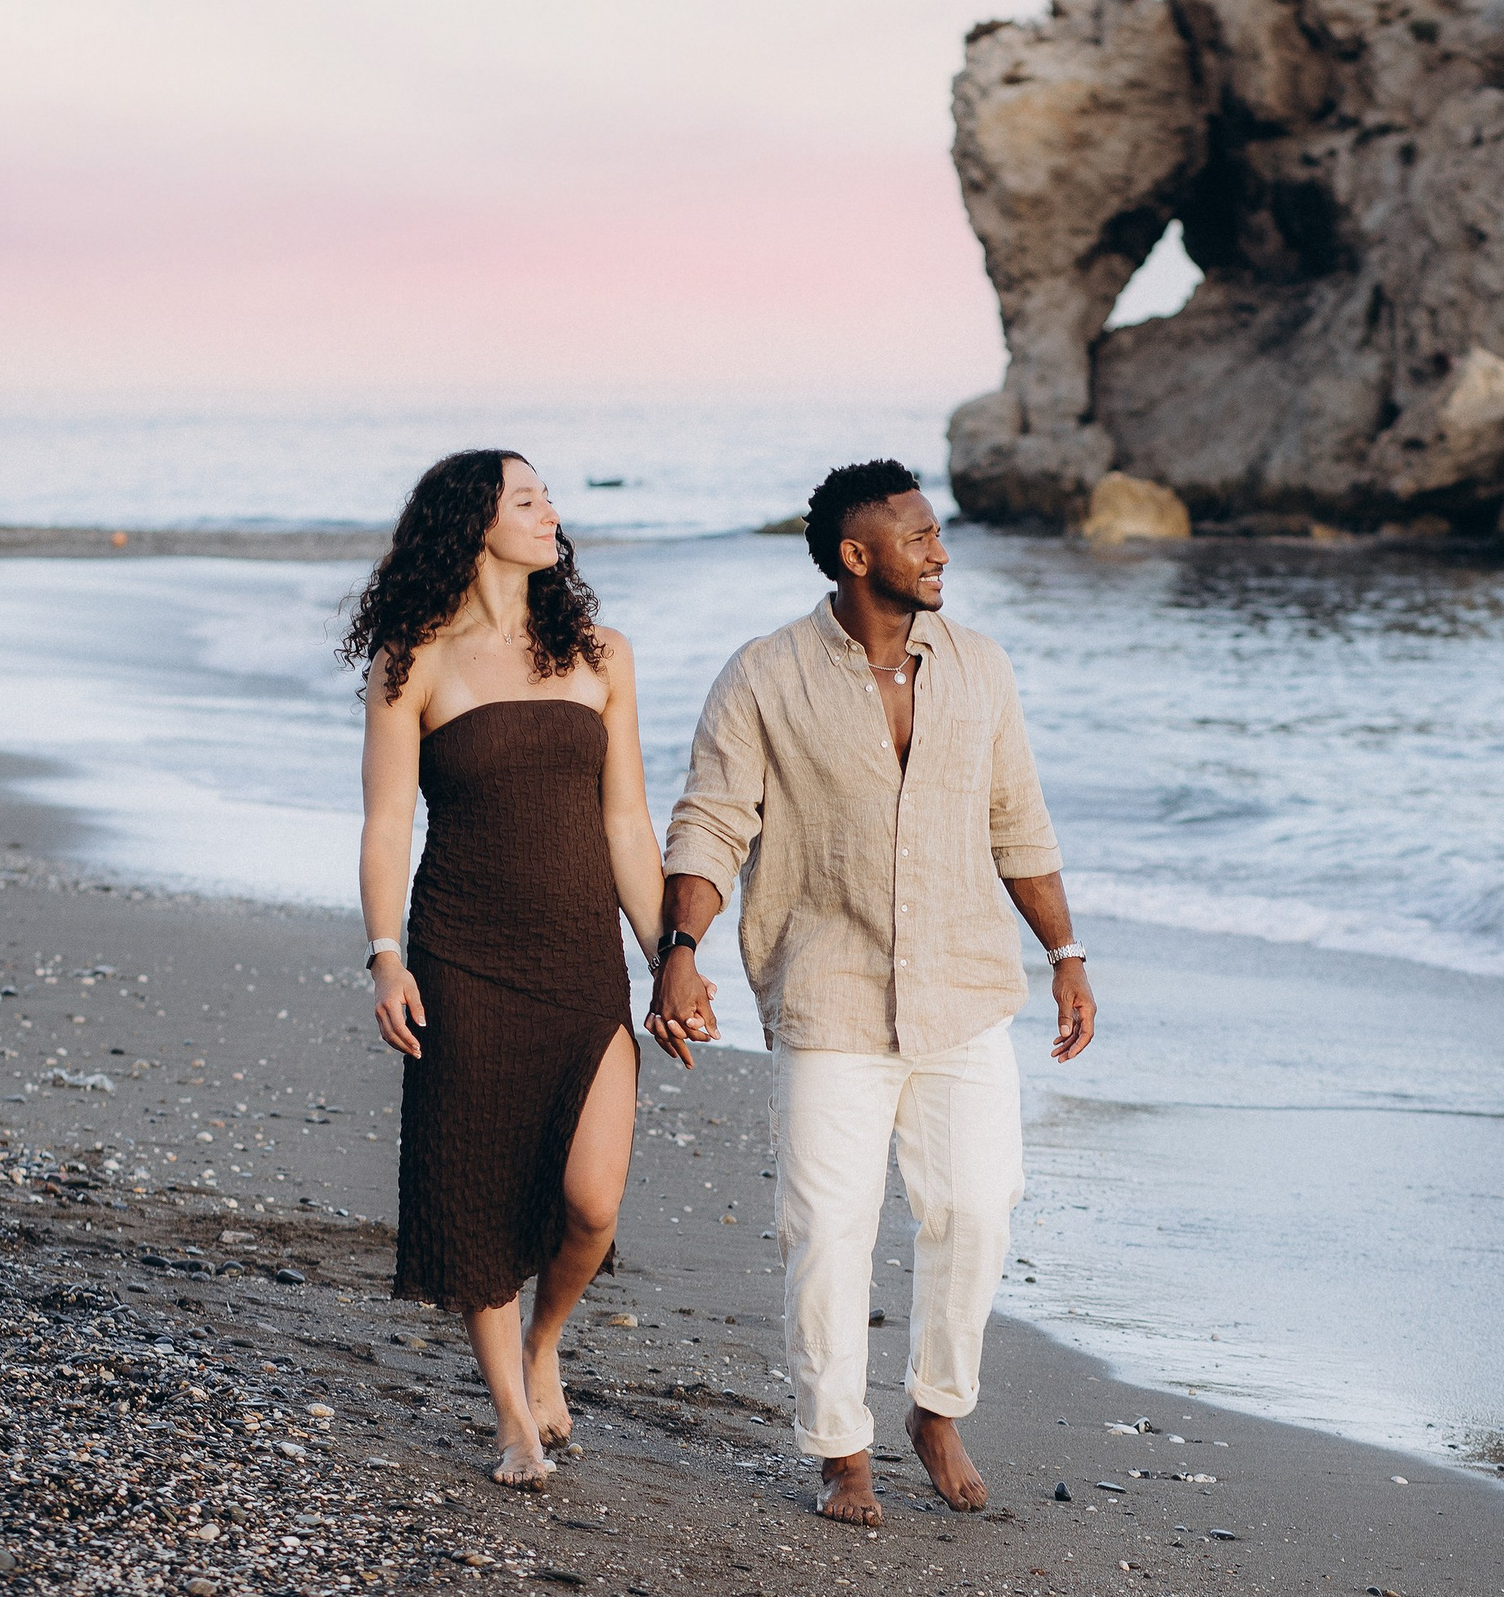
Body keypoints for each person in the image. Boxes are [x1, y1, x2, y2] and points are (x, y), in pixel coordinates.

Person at [650, 457, 1092, 1527]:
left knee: (979, 1206)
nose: (939, 550)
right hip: (830, 987)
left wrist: (1066, 952)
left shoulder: (979, 666)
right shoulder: (764, 674)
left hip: (963, 987)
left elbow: (1016, 820)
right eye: (918, 535)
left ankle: (935, 1407)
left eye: (937, 533)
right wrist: (679, 947)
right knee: (827, 1225)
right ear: (858, 556)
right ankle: (839, 1445)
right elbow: (714, 817)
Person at [344, 450, 710, 1487]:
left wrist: (668, 961)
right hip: (461, 953)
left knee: (591, 1202)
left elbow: (628, 823)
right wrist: (384, 955)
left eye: (548, 496)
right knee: (478, 1191)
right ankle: (510, 1415)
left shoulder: (600, 653)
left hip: (580, 960)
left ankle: (546, 1342)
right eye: (526, 498)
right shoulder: (412, 661)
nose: (551, 512)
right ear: (473, 525)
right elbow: (383, 827)